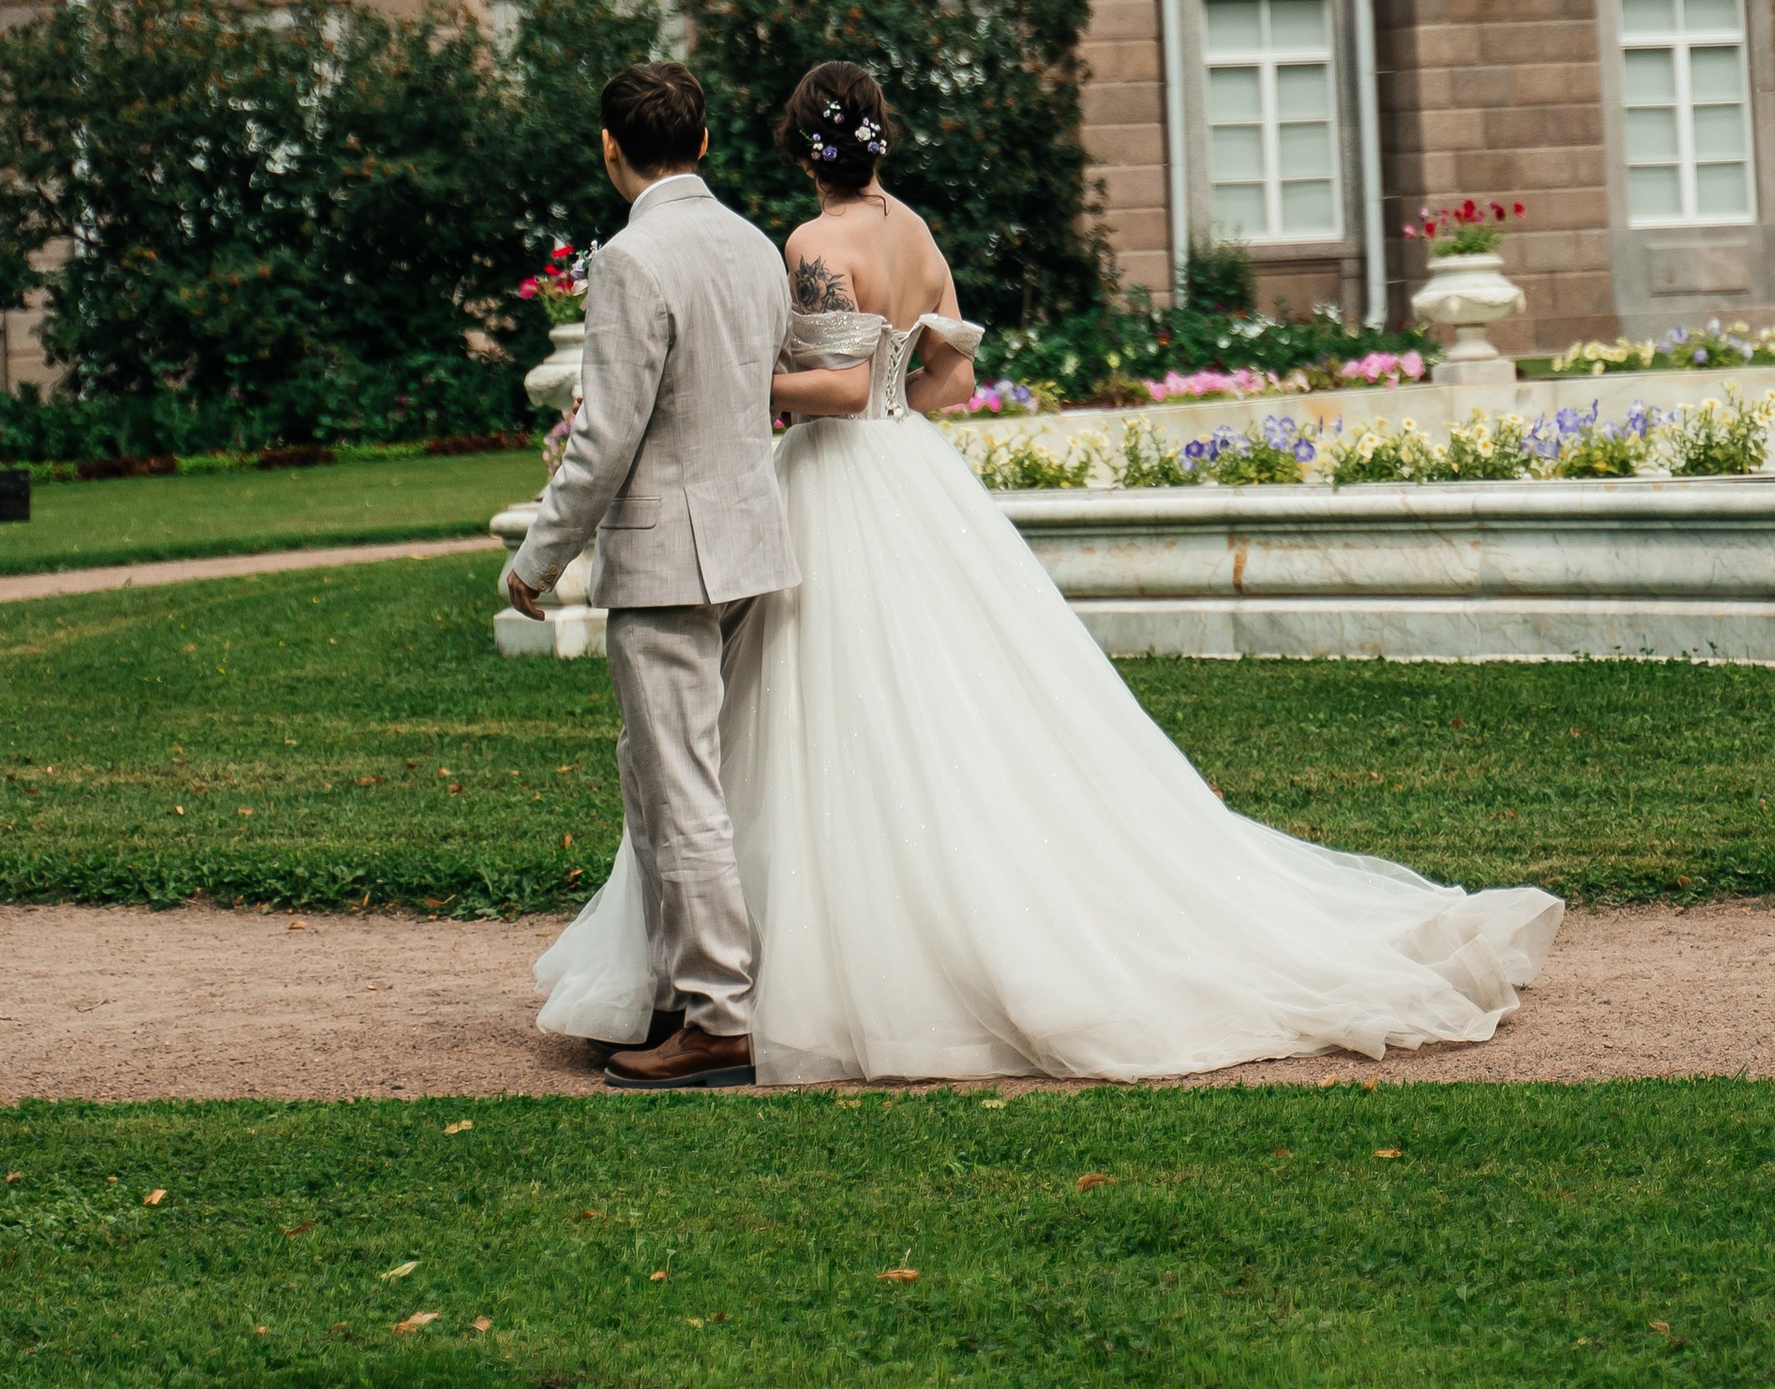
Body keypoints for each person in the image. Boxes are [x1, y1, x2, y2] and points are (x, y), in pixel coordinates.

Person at [536, 57, 1561, 1087]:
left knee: (803, 728)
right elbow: (951, 375)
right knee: (939, 714)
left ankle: (742, 990)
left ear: (800, 151)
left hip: (834, 478)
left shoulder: (808, 242)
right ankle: (721, 979)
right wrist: (884, 393)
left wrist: (755, 382)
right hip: (910, 473)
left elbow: (837, 387)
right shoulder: (914, 237)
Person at [505, 58, 796, 1092]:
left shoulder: (631, 259)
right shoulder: (756, 245)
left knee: (675, 787)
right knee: (679, 777)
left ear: (609, 147)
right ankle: (675, 991)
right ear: (706, 143)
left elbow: (605, 436)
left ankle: (717, 1014)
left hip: (670, 562)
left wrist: (538, 557)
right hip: (751, 544)